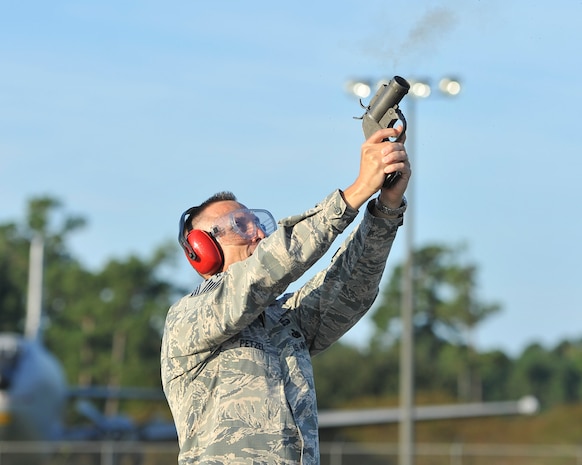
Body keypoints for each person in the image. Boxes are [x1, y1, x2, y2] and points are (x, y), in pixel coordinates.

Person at [161, 126, 411, 465]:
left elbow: (350, 287)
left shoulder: (285, 321)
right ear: (203, 248)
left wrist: (385, 207)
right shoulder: (188, 319)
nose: (260, 233)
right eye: (241, 224)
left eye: (257, 222)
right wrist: (355, 193)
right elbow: (267, 269)